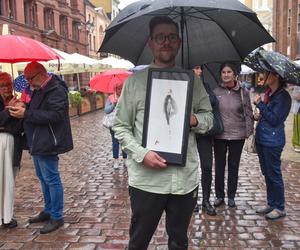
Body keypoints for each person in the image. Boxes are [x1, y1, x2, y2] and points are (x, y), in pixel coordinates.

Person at [113, 16, 213, 250]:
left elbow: (209, 118)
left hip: (184, 180)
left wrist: (194, 119)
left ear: (179, 42)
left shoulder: (193, 82)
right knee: (138, 242)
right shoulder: (135, 82)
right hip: (147, 181)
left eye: (171, 37)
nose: (165, 42)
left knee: (179, 242)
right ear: (151, 43)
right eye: (160, 37)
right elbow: (120, 126)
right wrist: (141, 153)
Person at [9, 62, 73, 234]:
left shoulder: (56, 90)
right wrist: (24, 106)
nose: (28, 83)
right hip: (37, 140)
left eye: (30, 78)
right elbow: (36, 109)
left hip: (48, 141)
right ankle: (48, 210)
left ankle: (57, 216)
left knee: (51, 178)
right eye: (26, 78)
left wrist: (27, 113)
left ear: (41, 74)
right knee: (43, 177)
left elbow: (56, 115)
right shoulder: (39, 88)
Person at [213, 62, 254, 208]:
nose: (226, 75)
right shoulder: (215, 90)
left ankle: (231, 196)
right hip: (219, 135)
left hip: (237, 135)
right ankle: (219, 196)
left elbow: (248, 112)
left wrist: (249, 131)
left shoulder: (243, 91)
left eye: (229, 72)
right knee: (219, 166)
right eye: (223, 72)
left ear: (234, 74)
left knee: (233, 166)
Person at [254, 71, 291, 220]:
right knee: (267, 173)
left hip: (273, 141)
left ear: (276, 76)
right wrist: (259, 115)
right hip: (263, 139)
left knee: (274, 174)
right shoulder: (271, 93)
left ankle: (280, 207)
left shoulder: (283, 97)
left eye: (267, 74)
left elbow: (275, 119)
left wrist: (260, 104)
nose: (264, 76)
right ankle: (271, 203)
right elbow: (268, 115)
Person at [0, 72, 23, 229]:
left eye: (9, 85)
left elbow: (18, 126)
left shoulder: (16, 100)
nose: (7, 88)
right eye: (3, 86)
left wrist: (20, 111)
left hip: (13, 144)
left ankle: (7, 216)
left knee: (9, 180)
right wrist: (9, 111)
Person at [193, 66, 216, 216]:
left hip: (205, 134)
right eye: (196, 68)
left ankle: (206, 200)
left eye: (200, 69)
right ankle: (192, 201)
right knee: (191, 167)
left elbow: (214, 101)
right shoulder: (184, 85)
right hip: (189, 134)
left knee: (207, 166)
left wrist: (204, 97)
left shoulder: (206, 86)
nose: (200, 71)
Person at [104, 82, 127, 169]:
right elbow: (106, 110)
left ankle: (125, 160)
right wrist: (113, 104)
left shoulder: (126, 97)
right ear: (115, 89)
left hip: (124, 123)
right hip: (113, 123)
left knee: (124, 142)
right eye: (118, 89)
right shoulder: (111, 98)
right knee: (115, 142)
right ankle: (116, 161)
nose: (120, 90)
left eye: (121, 88)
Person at [291, 85, 300, 152]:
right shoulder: (297, 85)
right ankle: (297, 144)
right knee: (297, 128)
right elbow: (296, 97)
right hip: (298, 111)